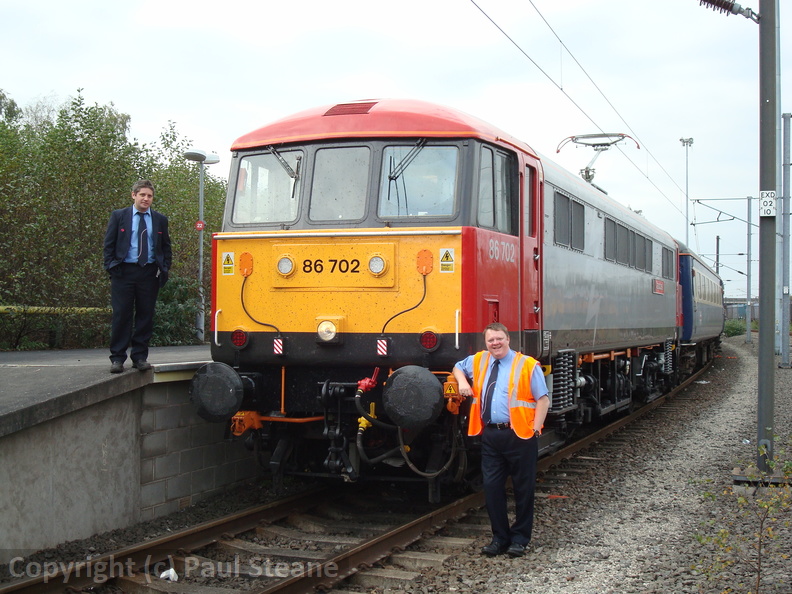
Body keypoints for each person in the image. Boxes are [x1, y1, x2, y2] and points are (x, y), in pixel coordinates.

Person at [452, 322, 550, 557]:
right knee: (492, 488)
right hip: (491, 435)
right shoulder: (480, 360)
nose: (495, 343)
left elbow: (543, 400)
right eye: (490, 340)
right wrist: (463, 382)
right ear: (486, 343)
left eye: (499, 339)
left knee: (523, 489)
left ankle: (520, 539)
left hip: (520, 435)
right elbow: (457, 367)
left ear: (508, 339)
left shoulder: (526, 364)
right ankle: (499, 538)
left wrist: (536, 430)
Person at [103, 180, 172, 373]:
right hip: (123, 272)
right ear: (133, 195)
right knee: (121, 315)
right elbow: (109, 243)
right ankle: (117, 358)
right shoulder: (119, 216)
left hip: (149, 273)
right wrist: (110, 266)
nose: (146, 199)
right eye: (142, 195)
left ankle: (140, 357)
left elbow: (165, 247)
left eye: (149, 196)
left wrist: (164, 268)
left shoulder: (160, 219)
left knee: (145, 316)